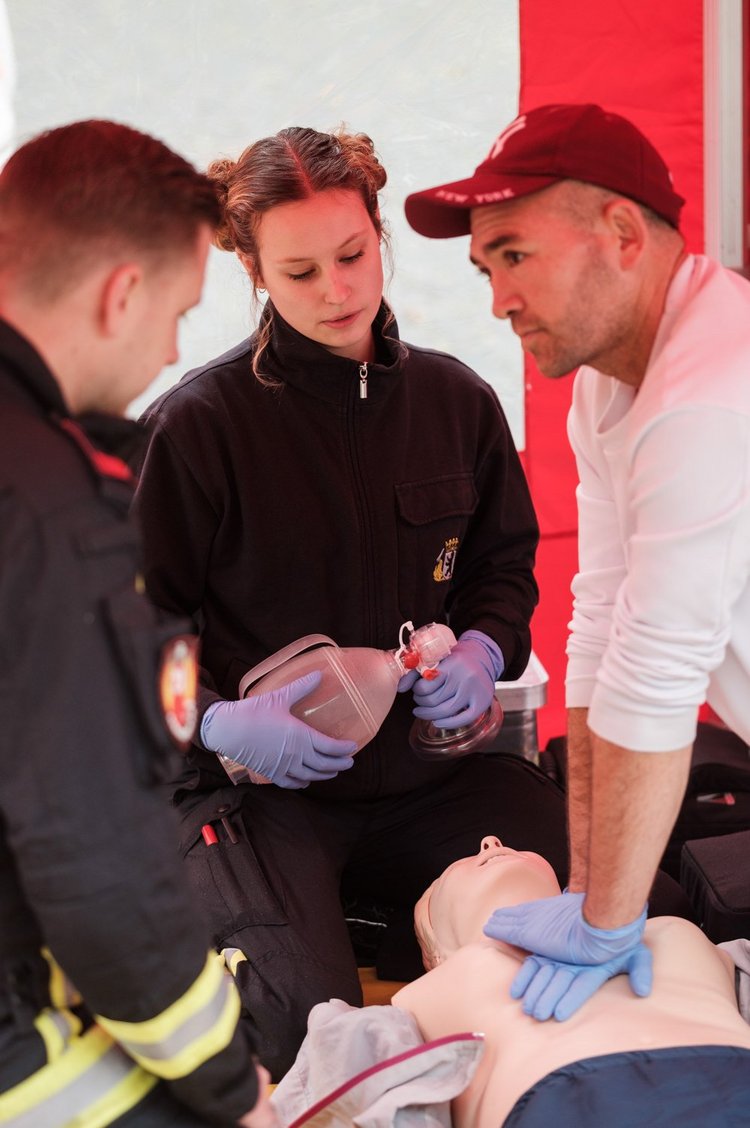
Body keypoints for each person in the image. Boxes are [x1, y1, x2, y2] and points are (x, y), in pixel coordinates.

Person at [132, 124, 572, 1080]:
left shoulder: (458, 403)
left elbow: (505, 570)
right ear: (252, 270)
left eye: (352, 255)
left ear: (380, 233)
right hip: (265, 798)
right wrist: (217, 723)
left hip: (435, 782)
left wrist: (484, 654)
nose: (337, 291)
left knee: (561, 943)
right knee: (297, 1030)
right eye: (299, 272)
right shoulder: (193, 431)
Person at [403, 101, 750, 1020]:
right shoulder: (606, 385)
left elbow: (659, 670)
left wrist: (610, 919)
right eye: (485, 268)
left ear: (623, 233)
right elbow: (600, 626)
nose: (497, 299)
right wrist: (594, 891)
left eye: (514, 255)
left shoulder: (708, 391)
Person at [0, 119, 275, 1126]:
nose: (169, 352)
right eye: (176, 314)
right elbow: (98, 869)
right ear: (121, 293)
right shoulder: (50, 513)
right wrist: (227, 1080)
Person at [272, 839, 750, 1127]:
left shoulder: (662, 928)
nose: (490, 842)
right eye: (450, 874)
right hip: (578, 1104)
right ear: (434, 953)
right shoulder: (417, 999)